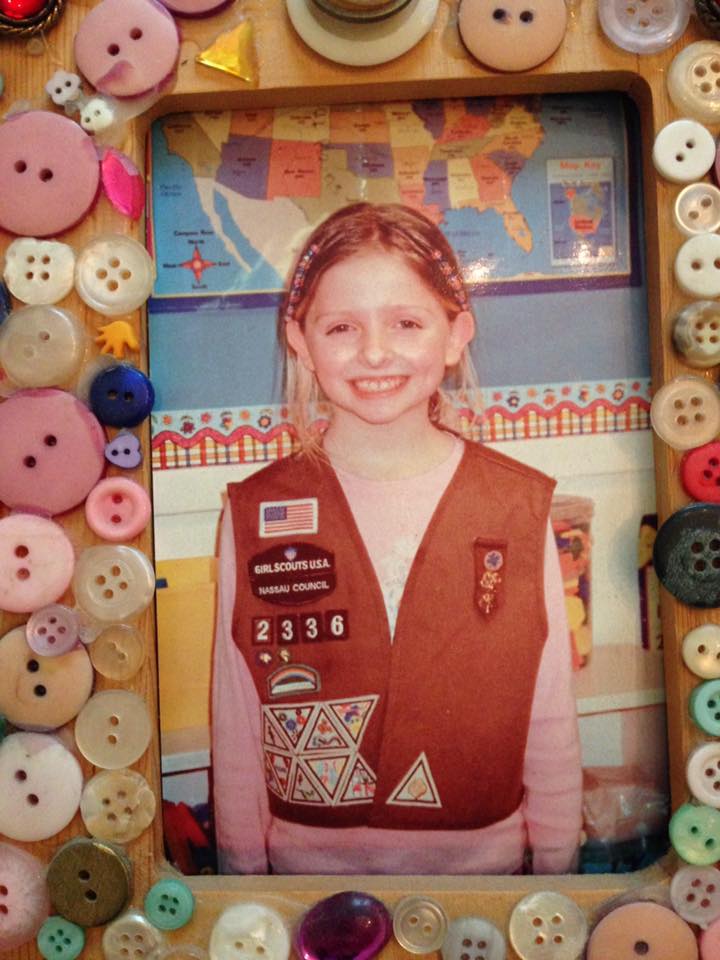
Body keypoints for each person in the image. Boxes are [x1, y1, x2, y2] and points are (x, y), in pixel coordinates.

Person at [211, 202, 583, 875]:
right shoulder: (255, 512)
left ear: (454, 335)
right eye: (343, 327)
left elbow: (549, 709)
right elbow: (236, 715)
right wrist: (242, 881)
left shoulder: (517, 506)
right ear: (300, 340)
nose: (375, 353)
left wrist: (557, 876)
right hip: (307, 882)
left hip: (484, 879)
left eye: (407, 323)